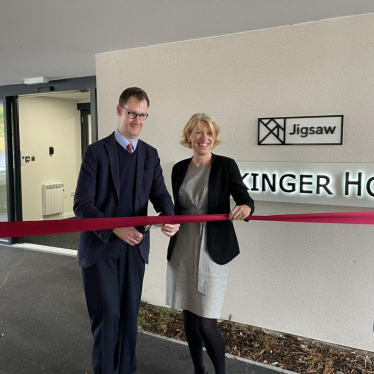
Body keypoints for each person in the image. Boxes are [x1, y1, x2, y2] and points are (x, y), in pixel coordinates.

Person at [74, 87, 180, 374]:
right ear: (120, 110)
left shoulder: (149, 155)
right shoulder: (96, 152)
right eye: (133, 113)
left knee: (128, 318)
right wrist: (115, 227)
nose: (137, 120)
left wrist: (170, 218)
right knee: (107, 318)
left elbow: (162, 197)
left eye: (143, 115)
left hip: (135, 249)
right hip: (100, 249)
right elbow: (81, 205)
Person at [166, 113, 255, 374]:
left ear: (214, 138)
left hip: (212, 248)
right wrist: (167, 222)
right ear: (189, 136)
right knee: (189, 320)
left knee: (207, 323)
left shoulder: (226, 165)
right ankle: (199, 370)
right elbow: (175, 208)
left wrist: (246, 207)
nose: (203, 138)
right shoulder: (179, 168)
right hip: (183, 246)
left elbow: (244, 198)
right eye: (198, 132)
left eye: (209, 133)